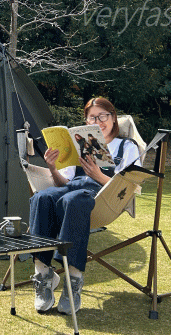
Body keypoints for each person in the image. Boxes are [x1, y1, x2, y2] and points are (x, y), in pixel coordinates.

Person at [29, 97, 141, 315]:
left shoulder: (126, 147)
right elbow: (64, 183)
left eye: (103, 116)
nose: (98, 122)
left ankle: (73, 281)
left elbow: (128, 187)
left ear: (113, 117)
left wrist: (98, 175)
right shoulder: (80, 145)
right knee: (42, 198)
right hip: (72, 189)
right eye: (92, 118)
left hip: (102, 198)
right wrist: (52, 168)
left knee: (74, 200)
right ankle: (43, 275)